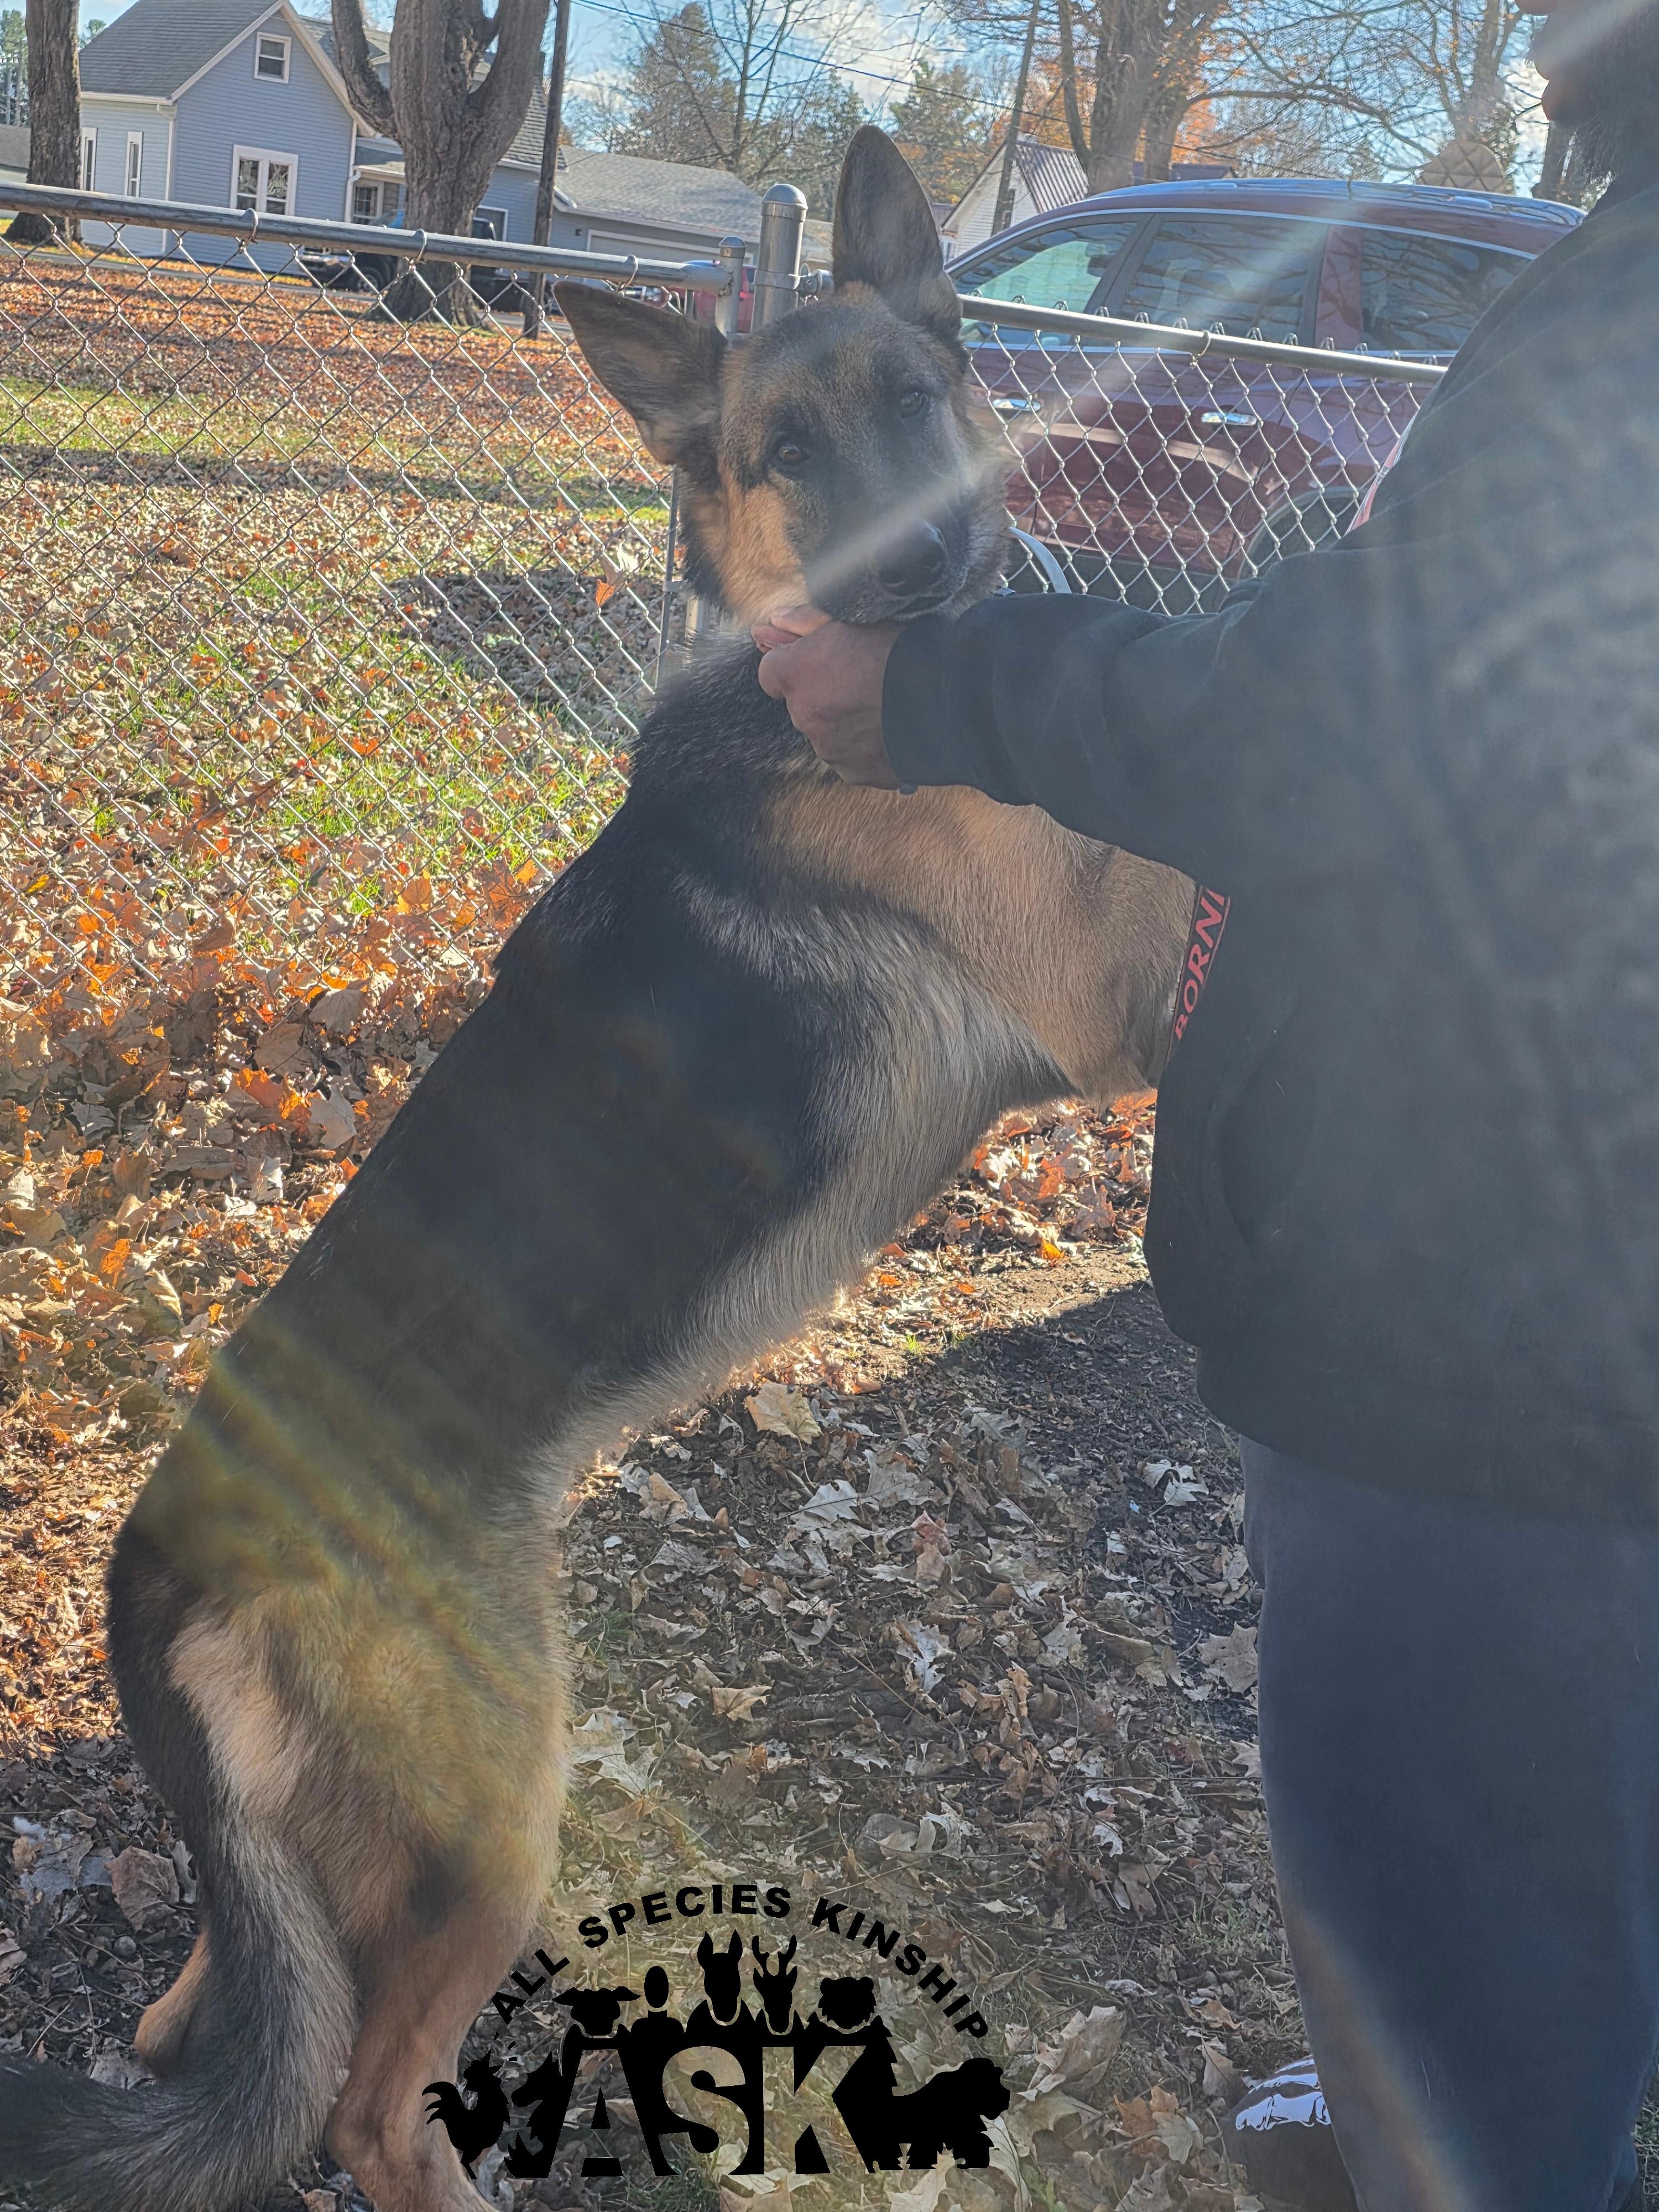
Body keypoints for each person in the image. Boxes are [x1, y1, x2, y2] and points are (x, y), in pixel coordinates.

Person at [756, 5, 1659, 2206]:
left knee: (1439, 1856)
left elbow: (1376, 718)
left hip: (1490, 1315)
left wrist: (946, 694)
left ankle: (1466, 2125)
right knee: (1570, 1831)